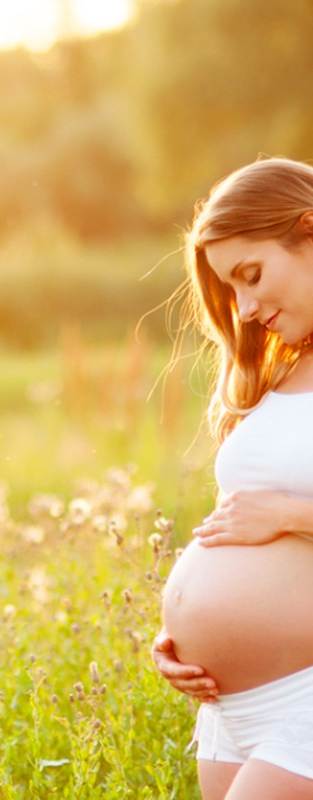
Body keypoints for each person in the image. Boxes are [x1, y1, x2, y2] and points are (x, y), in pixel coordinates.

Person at [153, 156, 313, 800]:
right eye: (230, 290)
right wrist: (180, 637)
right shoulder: (283, 373)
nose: (244, 308)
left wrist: (290, 515)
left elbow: (275, 515)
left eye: (252, 275)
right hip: (228, 713)